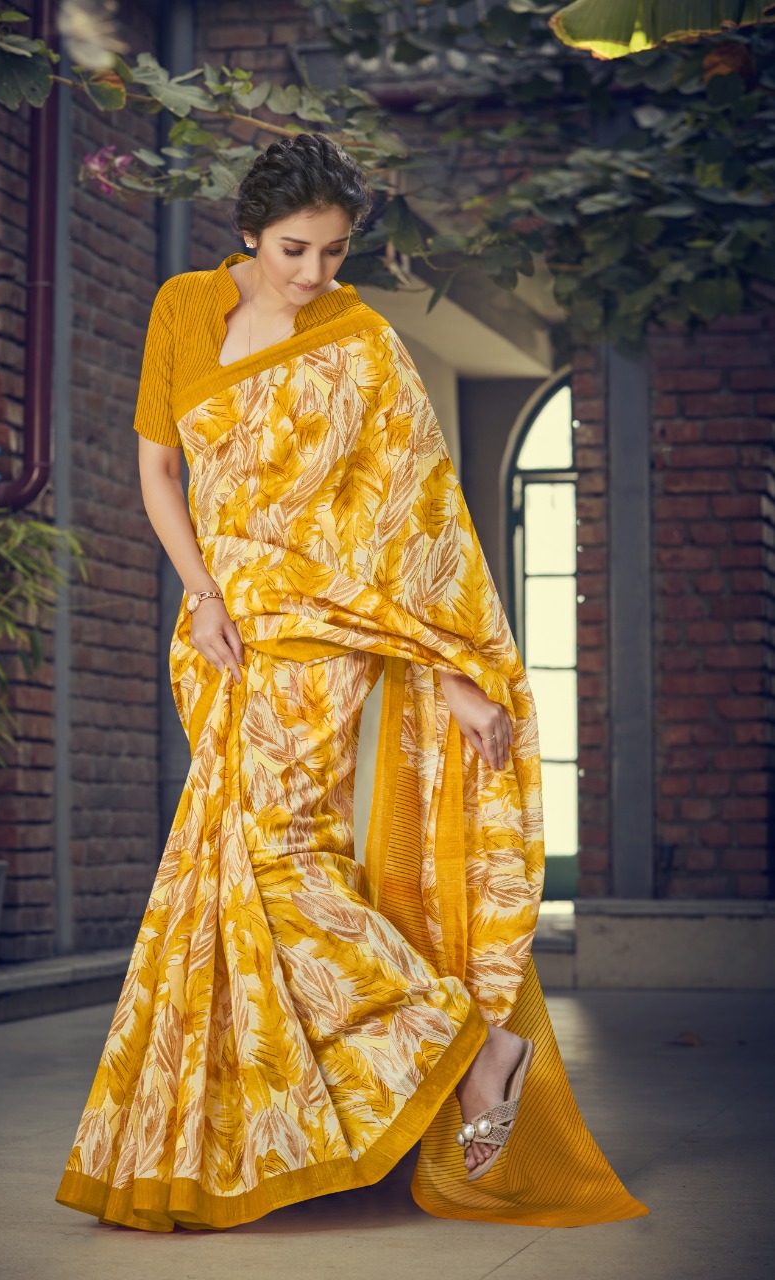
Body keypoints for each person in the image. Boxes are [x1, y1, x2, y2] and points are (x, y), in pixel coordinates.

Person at [55, 132, 647, 1233]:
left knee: (277, 854)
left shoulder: (363, 342)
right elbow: (157, 467)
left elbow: (415, 517)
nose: (314, 272)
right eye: (294, 249)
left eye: (333, 252)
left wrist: (454, 674)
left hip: (325, 633)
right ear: (249, 232)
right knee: (229, 873)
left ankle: (475, 1049)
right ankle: (258, 1129)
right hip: (220, 631)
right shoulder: (184, 309)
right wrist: (202, 593)